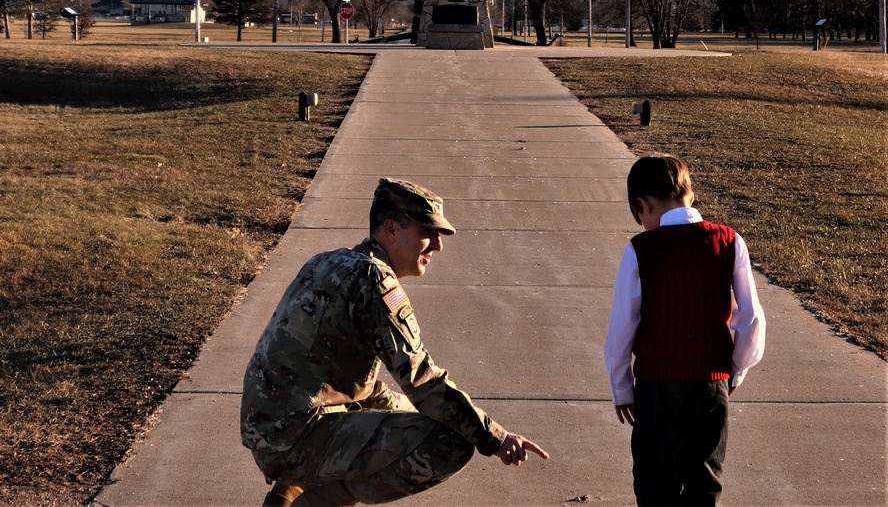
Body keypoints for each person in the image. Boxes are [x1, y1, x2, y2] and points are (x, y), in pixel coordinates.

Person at [242, 177, 548, 506]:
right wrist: (495, 437)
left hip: (271, 426)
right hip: (292, 437)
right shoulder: (375, 281)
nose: (437, 246)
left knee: (434, 416)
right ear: (391, 229)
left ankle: (294, 488)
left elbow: (359, 384)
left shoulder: (328, 261)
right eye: (426, 233)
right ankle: (307, 499)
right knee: (451, 440)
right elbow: (421, 379)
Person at [604, 155, 766, 507]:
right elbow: (751, 321)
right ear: (690, 196)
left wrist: (622, 388)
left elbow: (621, 331)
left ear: (642, 205)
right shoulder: (729, 241)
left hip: (655, 390)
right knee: (704, 486)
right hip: (709, 388)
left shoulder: (640, 250)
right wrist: (733, 373)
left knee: (654, 486)